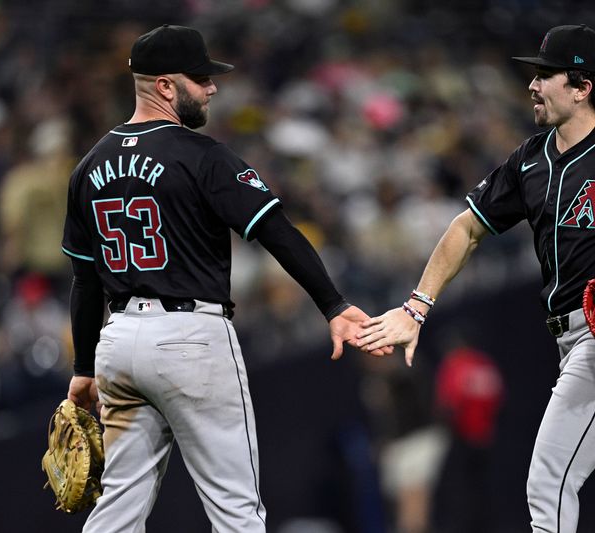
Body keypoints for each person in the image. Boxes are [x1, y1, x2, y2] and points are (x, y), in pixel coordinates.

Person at [357, 24, 595, 532]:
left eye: (545, 74)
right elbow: (467, 228)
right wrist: (417, 306)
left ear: (581, 86)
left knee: (547, 482)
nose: (532, 84)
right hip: (573, 340)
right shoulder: (530, 159)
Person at [62, 24, 389, 533]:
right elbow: (277, 231)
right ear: (165, 86)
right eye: (200, 77)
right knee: (237, 510)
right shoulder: (201, 156)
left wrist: (83, 366)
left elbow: (85, 282)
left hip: (118, 343)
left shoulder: (88, 167)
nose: (212, 87)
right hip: (191, 340)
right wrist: (332, 304)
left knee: (116, 513)